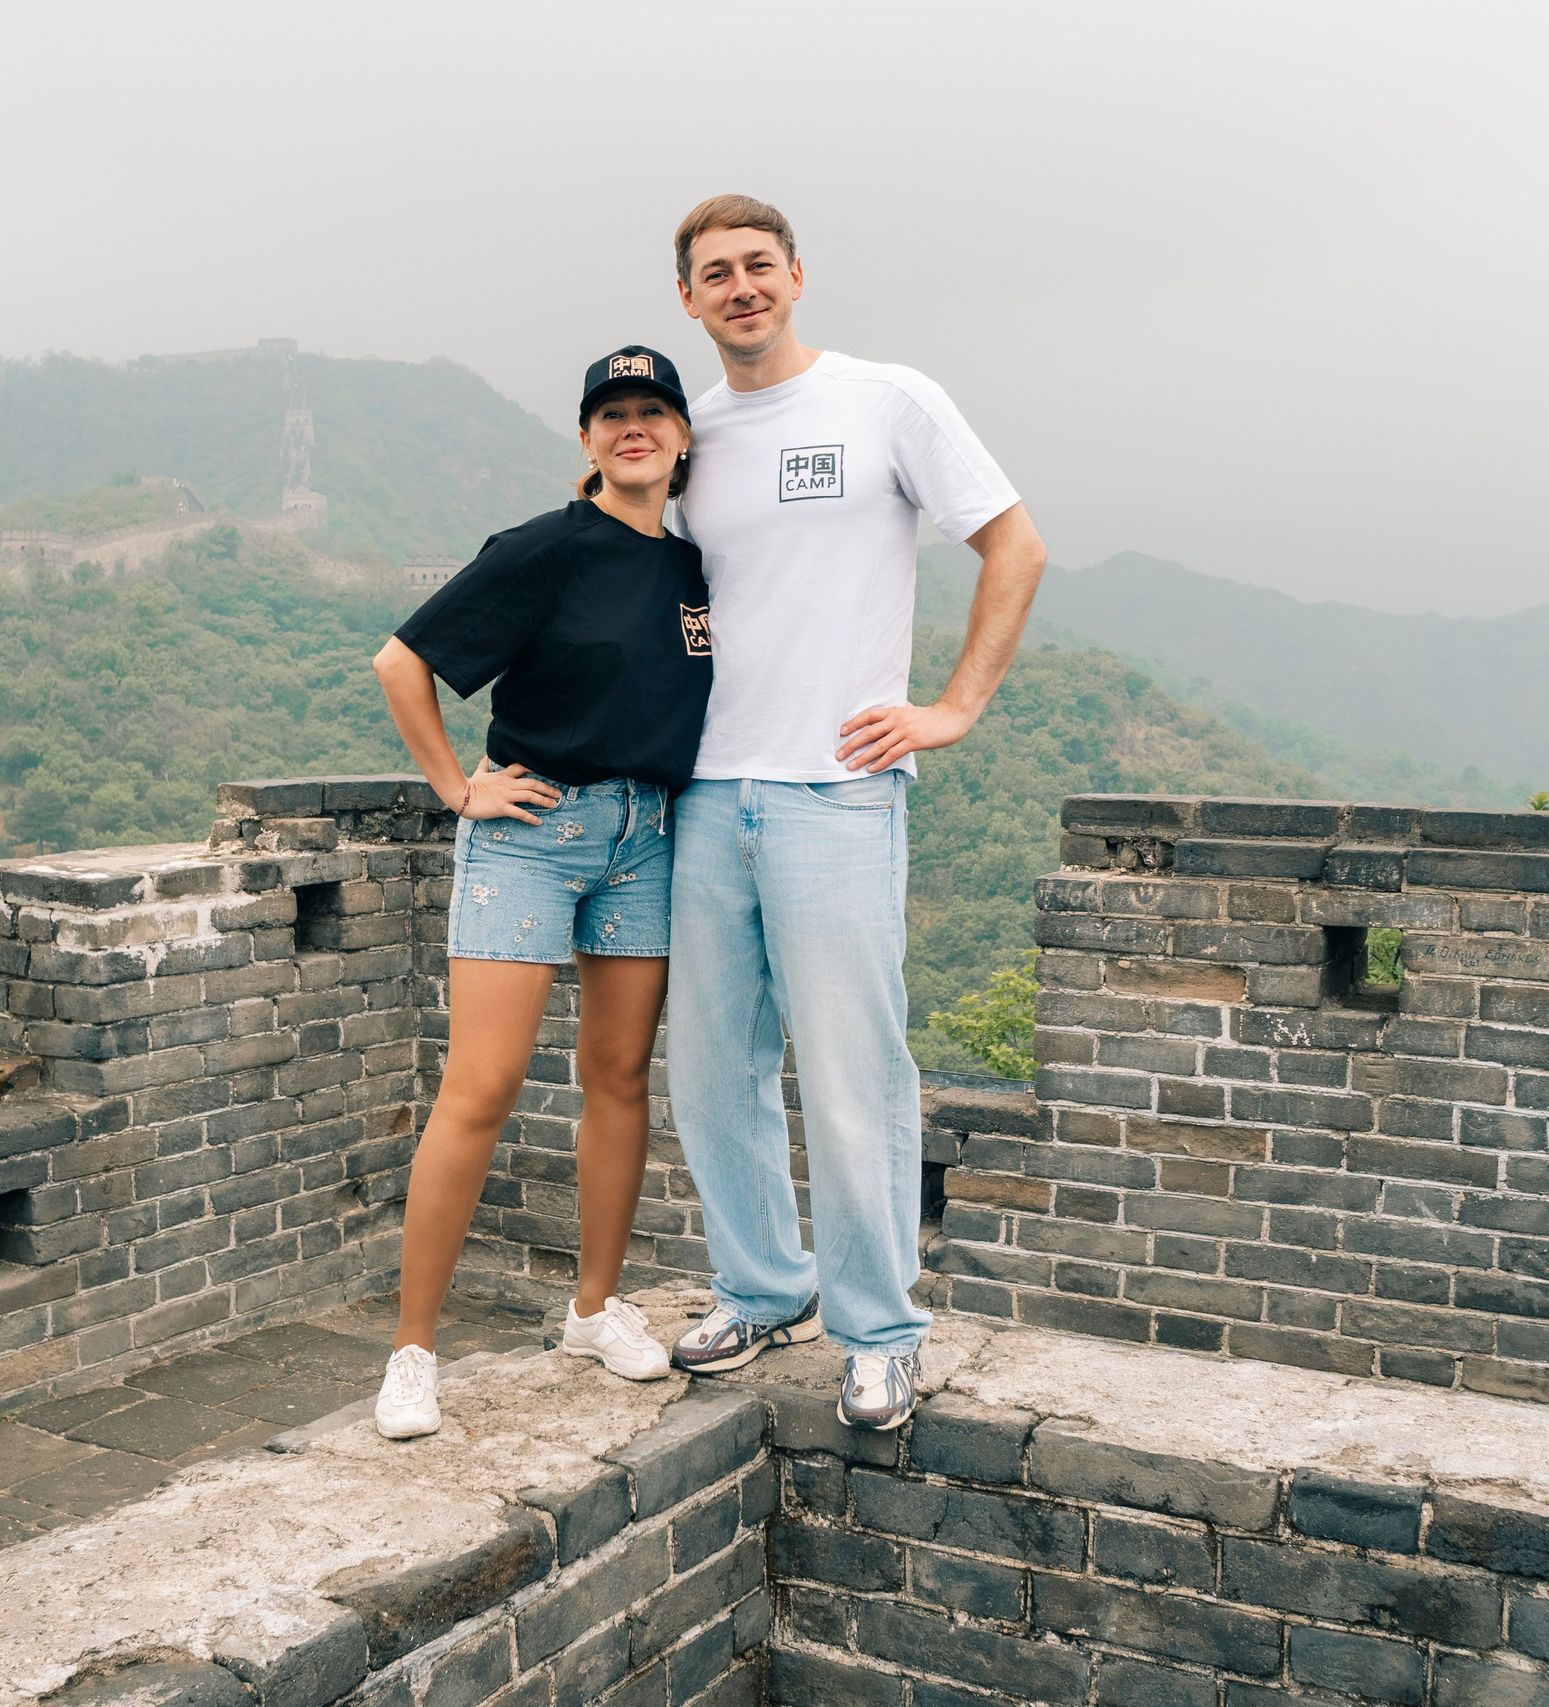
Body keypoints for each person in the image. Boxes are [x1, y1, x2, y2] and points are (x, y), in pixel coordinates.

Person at [661, 195, 1047, 1430]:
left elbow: (1016, 545)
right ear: (687, 299)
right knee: (714, 1070)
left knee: (850, 1070)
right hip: (708, 792)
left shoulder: (888, 400)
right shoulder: (691, 436)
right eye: (714, 274)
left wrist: (952, 707)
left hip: (836, 790)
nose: (739, 288)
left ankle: (879, 1329)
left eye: (757, 267)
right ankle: (763, 1286)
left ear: (796, 277)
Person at [366, 345, 713, 1440]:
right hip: (532, 833)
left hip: (647, 838)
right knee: (482, 1084)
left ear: (683, 437)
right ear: (586, 439)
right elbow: (400, 660)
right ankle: (412, 1352)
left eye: (653, 411)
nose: (634, 428)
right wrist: (454, 787)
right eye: (613, 414)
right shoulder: (548, 548)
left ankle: (595, 1310)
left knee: (618, 1077)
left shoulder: (697, 567)